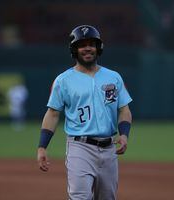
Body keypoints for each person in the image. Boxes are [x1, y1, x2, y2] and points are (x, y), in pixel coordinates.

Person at [37, 25, 132, 199]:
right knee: (80, 197)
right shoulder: (63, 80)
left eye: (92, 44)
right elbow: (52, 114)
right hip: (80, 147)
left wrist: (124, 134)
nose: (88, 48)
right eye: (82, 44)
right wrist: (42, 146)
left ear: (98, 48)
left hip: (109, 148)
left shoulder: (113, 77)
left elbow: (124, 109)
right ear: (74, 49)